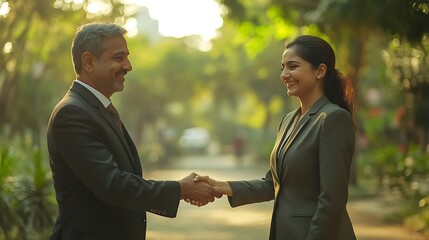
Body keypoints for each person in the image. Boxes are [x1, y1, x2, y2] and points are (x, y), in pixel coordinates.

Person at [46, 22, 220, 240]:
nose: (128, 66)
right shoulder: (72, 113)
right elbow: (112, 184)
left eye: (127, 57)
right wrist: (181, 189)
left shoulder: (96, 108)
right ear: (88, 62)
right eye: (119, 58)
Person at [195, 35, 357, 240]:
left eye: (293, 66)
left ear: (320, 71)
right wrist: (219, 185)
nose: (284, 74)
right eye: (282, 67)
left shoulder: (333, 119)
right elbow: (272, 183)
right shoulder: (288, 120)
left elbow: (332, 200)